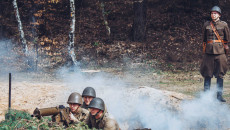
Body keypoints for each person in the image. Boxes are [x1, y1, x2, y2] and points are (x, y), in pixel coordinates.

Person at [200, 6, 230, 102]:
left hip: (220, 53)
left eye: (215, 13)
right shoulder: (206, 25)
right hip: (208, 53)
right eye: (212, 13)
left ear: (219, 15)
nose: (213, 15)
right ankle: (206, 97)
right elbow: (204, 38)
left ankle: (219, 96)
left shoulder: (224, 25)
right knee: (207, 74)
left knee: (220, 74)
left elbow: (227, 38)